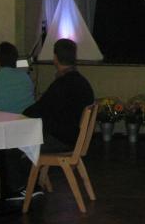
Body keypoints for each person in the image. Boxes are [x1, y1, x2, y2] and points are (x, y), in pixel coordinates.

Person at [6, 39, 95, 201]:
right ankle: (31, 185)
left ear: (55, 58)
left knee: (12, 146)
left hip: (62, 140)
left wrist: (21, 117)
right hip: (75, 138)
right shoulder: (82, 82)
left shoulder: (62, 84)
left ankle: (21, 188)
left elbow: (39, 109)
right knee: (27, 142)